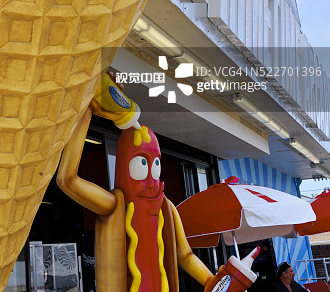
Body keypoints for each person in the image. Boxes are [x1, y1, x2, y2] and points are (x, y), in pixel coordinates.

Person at [57, 100, 216, 292]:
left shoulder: (167, 208)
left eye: (155, 163)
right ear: (125, 165)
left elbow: (186, 256)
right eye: (142, 163)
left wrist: (213, 281)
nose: (151, 179)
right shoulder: (114, 205)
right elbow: (68, 180)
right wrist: (87, 111)